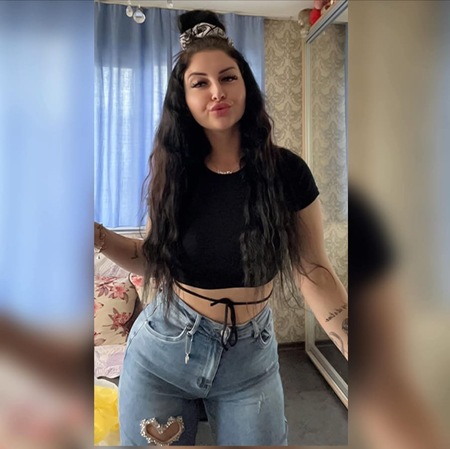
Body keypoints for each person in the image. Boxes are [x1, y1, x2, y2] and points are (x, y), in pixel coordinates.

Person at [94, 9, 348, 446]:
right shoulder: (174, 175)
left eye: (228, 77)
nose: (217, 91)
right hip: (163, 351)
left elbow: (313, 270)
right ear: (184, 99)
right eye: (200, 83)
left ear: (246, 84)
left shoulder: (286, 172)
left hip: (250, 359)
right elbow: (154, 260)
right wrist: (97, 236)